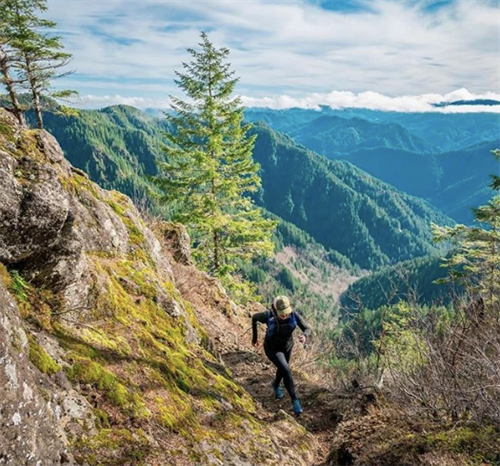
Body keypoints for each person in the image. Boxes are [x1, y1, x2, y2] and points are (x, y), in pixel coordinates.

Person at [251, 295, 311, 415]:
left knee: (283, 368)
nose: (285, 315)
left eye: (286, 312)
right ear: (275, 310)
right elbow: (254, 318)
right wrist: (254, 338)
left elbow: (307, 328)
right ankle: (295, 400)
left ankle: (275, 384)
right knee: (286, 370)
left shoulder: (294, 315)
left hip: (288, 347)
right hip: (272, 348)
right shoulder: (267, 315)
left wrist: (304, 336)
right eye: (281, 313)